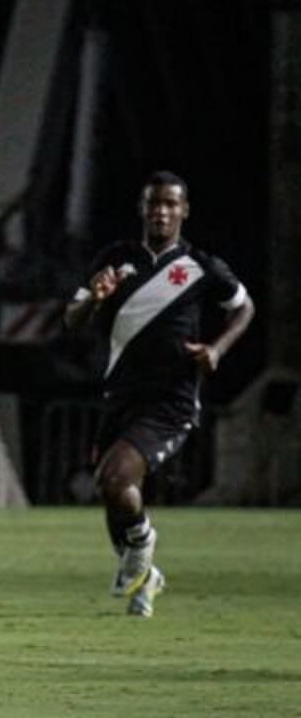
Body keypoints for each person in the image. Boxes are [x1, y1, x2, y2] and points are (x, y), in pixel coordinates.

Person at [64, 170, 254, 617]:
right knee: (110, 490)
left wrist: (217, 349)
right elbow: (71, 318)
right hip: (120, 395)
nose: (161, 212)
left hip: (171, 400)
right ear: (142, 208)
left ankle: (144, 542)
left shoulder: (201, 266)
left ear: (184, 210)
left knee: (116, 480)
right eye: (154, 203)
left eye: (170, 204)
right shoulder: (116, 259)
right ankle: (146, 576)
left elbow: (244, 307)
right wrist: (94, 298)